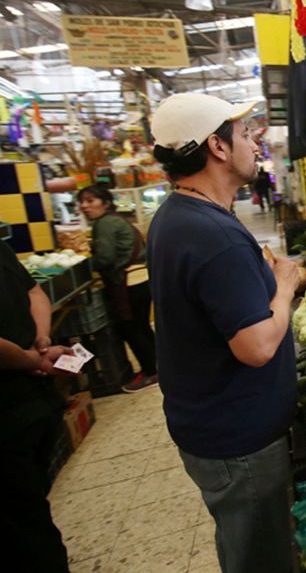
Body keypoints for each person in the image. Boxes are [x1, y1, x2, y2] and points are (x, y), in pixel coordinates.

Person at [148, 93, 301, 573]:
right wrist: (284, 288)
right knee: (261, 557)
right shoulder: (211, 235)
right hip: (239, 441)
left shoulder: (179, 215)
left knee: (247, 545)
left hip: (213, 424)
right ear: (216, 146)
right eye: (244, 133)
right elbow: (255, 346)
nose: (254, 141)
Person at [0, 238, 74, 572]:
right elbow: (34, 293)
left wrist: (32, 359)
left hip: (10, 408)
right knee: (31, 506)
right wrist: (42, 342)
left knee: (21, 522)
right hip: (38, 400)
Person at [77, 184, 159, 393]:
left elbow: (105, 258)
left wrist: (83, 264)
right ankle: (159, 367)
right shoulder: (116, 219)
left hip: (129, 282)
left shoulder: (104, 224)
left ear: (105, 202)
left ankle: (152, 372)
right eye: (82, 202)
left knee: (131, 329)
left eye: (90, 201)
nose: (85, 206)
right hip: (142, 279)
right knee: (141, 327)